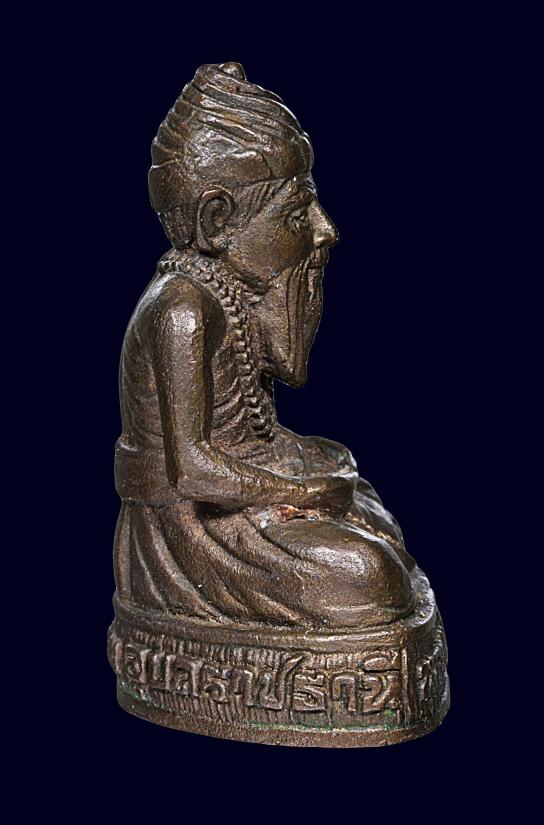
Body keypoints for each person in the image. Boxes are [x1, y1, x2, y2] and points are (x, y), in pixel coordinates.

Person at [113, 62, 416, 630]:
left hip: (241, 475)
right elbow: (193, 472)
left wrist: (313, 478)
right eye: (297, 212)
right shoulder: (180, 310)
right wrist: (298, 491)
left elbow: (253, 421)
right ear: (217, 221)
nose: (325, 229)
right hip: (190, 526)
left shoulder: (224, 294)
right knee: (367, 573)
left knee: (369, 504)